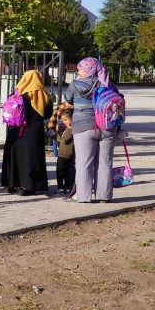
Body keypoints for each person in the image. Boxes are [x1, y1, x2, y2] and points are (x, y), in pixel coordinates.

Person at [64, 58, 119, 203]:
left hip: (83, 127)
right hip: (107, 127)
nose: (78, 72)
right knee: (105, 162)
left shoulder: (75, 84)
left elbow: (67, 100)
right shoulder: (107, 83)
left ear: (88, 69)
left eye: (80, 69)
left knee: (84, 162)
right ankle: (104, 196)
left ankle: (83, 197)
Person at [2, 70, 53, 196]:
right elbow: (47, 114)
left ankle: (11, 184)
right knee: (32, 157)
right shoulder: (45, 95)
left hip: (16, 129)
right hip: (34, 130)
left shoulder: (17, 93)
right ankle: (29, 186)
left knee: (14, 156)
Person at [55, 109, 76, 195]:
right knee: (66, 171)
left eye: (66, 119)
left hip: (65, 155)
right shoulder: (68, 129)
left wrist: (57, 136)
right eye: (63, 120)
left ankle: (61, 187)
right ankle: (66, 186)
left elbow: (64, 140)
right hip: (66, 154)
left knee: (60, 171)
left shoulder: (70, 129)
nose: (64, 122)